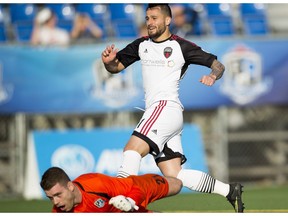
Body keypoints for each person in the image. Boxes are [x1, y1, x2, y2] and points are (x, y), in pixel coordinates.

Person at [101, 3, 244, 213]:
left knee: (131, 150)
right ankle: (229, 190)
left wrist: (213, 76)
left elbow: (218, 65)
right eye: (147, 18)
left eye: (154, 18)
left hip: (165, 107)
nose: (149, 22)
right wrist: (108, 63)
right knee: (175, 176)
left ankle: (120, 200)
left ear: (168, 20)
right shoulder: (141, 45)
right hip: (164, 114)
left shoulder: (181, 46)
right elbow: (117, 67)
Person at [40, 166, 182, 212]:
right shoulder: (58, 211)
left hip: (133, 189)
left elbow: (136, 188)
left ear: (70, 186)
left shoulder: (96, 184)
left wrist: (130, 201)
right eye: (50, 198)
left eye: (58, 194)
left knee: (177, 185)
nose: (56, 202)